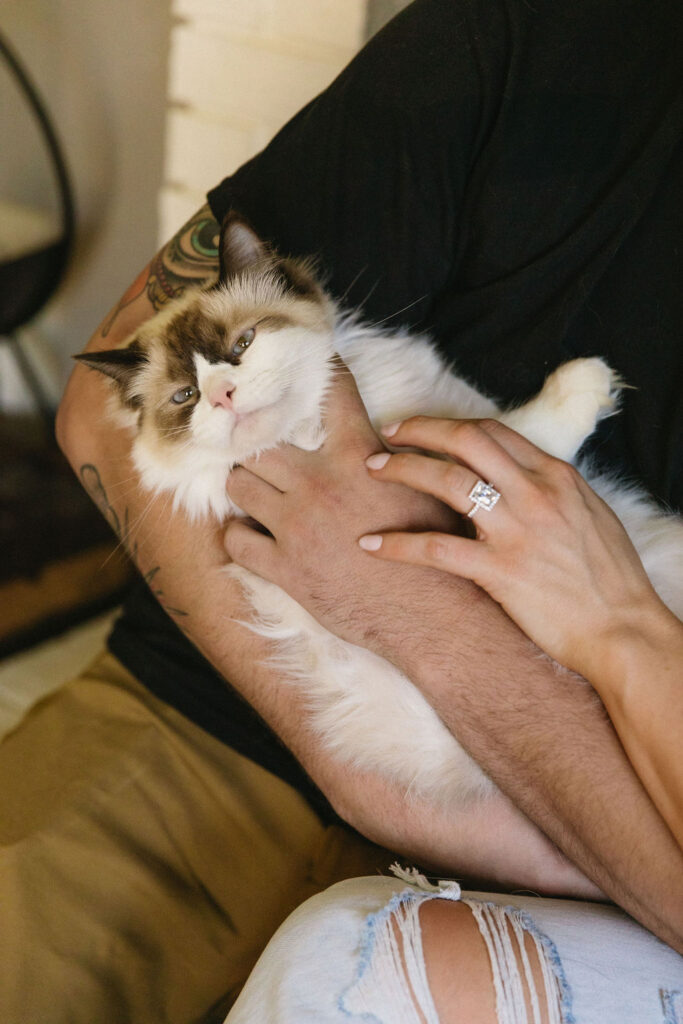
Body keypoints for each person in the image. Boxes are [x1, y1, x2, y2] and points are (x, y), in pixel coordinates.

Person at [1, 0, 681, 1020]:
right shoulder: (527, 34)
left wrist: (403, 646)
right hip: (212, 718)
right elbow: (105, 403)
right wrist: (338, 737)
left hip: (570, 848)